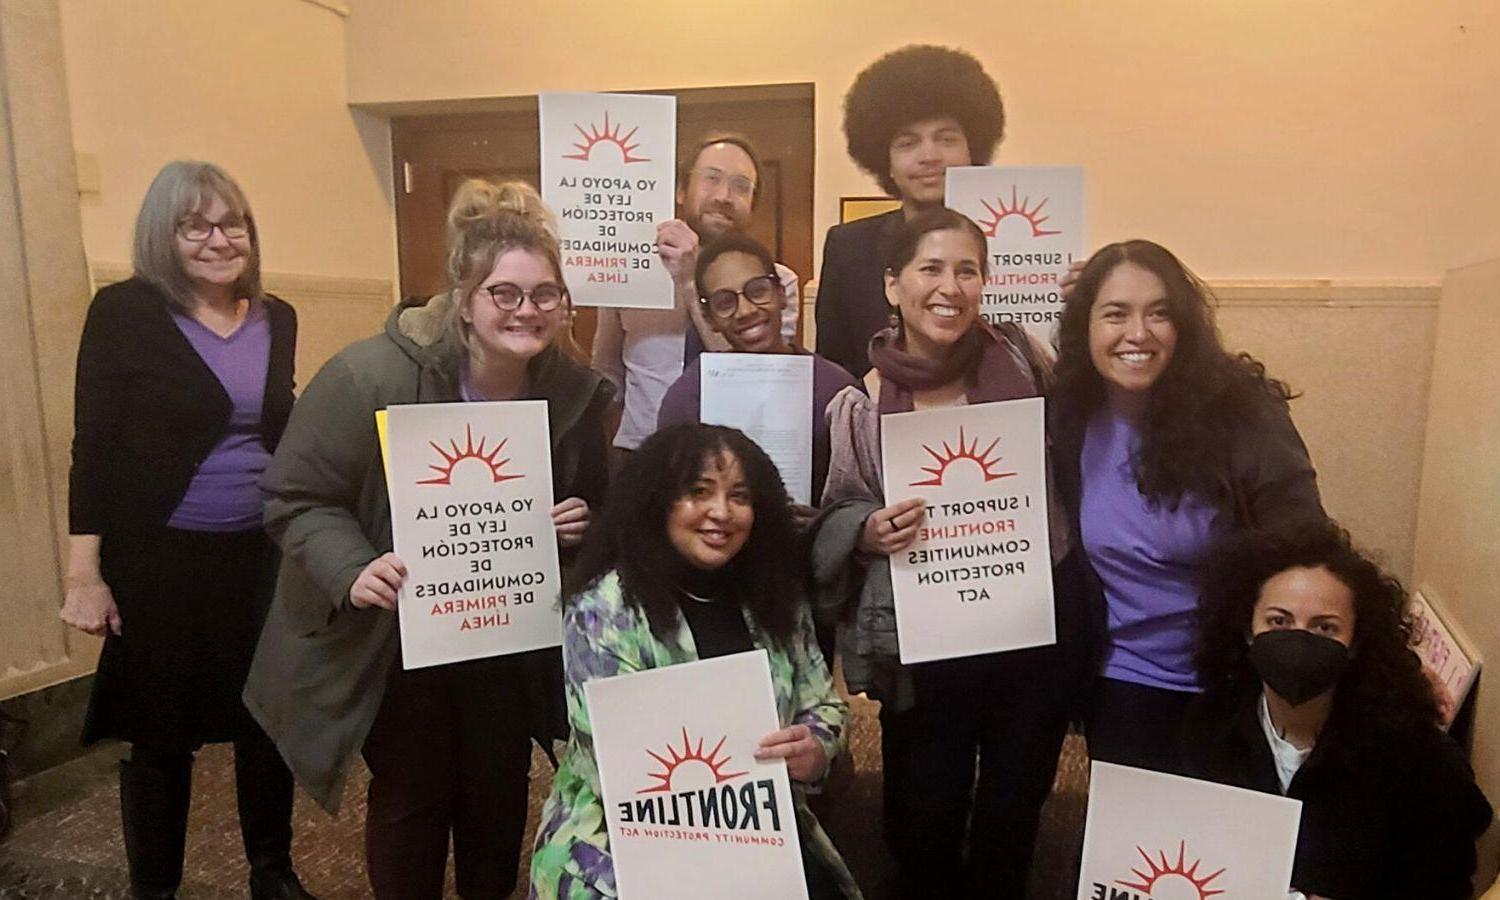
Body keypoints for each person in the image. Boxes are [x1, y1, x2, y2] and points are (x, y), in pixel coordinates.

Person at [243, 180, 612, 899]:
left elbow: (595, 504)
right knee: (412, 797)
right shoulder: (368, 375)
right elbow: (295, 494)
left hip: (507, 637)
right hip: (401, 639)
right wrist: (352, 566)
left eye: (545, 294)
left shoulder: (571, 391)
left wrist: (580, 522)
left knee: (498, 793)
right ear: (465, 299)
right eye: (505, 293)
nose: (527, 310)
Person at [810, 208, 1082, 895]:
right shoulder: (862, 403)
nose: (950, 287)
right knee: (922, 815)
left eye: (967, 270)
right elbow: (842, 506)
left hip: (1032, 628)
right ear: (893, 285)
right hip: (928, 640)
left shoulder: (1023, 362)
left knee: (1013, 808)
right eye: (931, 268)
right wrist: (870, 530)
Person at [60, 161, 313, 900]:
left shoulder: (278, 316)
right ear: (162, 235)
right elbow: (94, 448)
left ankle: (273, 872)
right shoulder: (124, 313)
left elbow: (282, 429)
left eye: (232, 222)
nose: (217, 238)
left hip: (261, 554)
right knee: (162, 736)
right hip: (160, 558)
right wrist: (86, 573)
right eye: (194, 224)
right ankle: (157, 889)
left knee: (266, 722)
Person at [529, 424, 861, 900]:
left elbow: (824, 704)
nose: (721, 513)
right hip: (626, 838)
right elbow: (618, 765)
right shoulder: (605, 609)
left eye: (740, 497)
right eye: (698, 492)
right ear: (658, 501)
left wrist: (815, 747)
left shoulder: (773, 597)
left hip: (759, 826)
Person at [1050, 239, 1327, 775]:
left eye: (1159, 314)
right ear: (1085, 329)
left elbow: (1305, 544)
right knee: (1140, 847)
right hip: (1122, 677)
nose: (1138, 333)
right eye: (1115, 314)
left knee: (1230, 845)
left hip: (1234, 674)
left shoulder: (1243, 416)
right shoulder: (1069, 415)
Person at [1184, 521, 1493, 899]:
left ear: (1356, 642)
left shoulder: (1423, 763)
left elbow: (1442, 889)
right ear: (1247, 630)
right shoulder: (1207, 730)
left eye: (1325, 627)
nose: (1298, 639)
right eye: (1279, 621)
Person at [594, 133, 800, 461]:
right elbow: (606, 369)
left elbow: (753, 378)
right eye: (712, 179)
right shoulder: (628, 275)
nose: (724, 196)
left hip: (738, 459)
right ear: (680, 190)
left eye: (741, 185)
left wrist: (690, 282)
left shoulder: (775, 286)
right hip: (640, 455)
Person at [815, 45, 1004, 379]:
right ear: (883, 161)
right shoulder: (848, 248)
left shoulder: (1009, 241)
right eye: (908, 143)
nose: (929, 156)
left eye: (946, 140)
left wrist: (1076, 303)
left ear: (973, 149)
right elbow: (834, 368)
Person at [657, 231, 856, 508]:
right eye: (725, 302)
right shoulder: (689, 396)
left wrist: (825, 522)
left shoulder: (835, 389)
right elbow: (671, 498)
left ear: (781, 294)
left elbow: (859, 497)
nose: (746, 310)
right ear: (709, 318)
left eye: (758, 291)